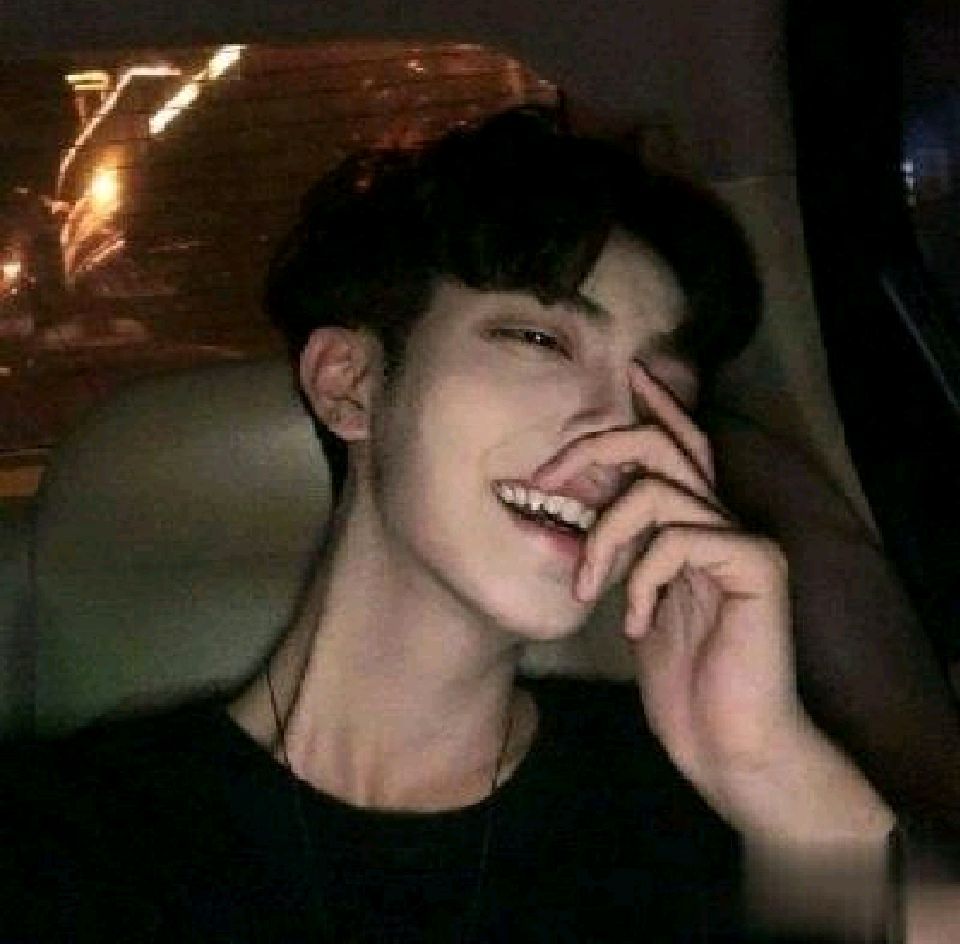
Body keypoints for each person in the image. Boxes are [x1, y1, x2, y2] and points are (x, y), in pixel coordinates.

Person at [1, 106, 955, 942]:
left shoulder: (708, 801)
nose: (618, 428)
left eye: (663, 385)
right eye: (540, 339)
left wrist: (775, 773)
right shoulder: (74, 842)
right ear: (351, 385)